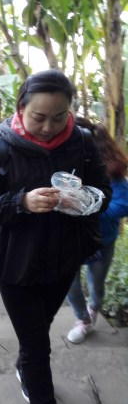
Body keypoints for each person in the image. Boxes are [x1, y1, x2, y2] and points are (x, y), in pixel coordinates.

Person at [0, 69, 111, 404]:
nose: (49, 127)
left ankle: (23, 366)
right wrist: (22, 202)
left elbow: (102, 192)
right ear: (21, 109)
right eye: (39, 117)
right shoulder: (1, 147)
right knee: (37, 347)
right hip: (15, 265)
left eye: (58, 116)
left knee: (38, 331)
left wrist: (81, 199)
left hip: (62, 260)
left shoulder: (81, 142)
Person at [66, 118, 128, 343]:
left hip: (101, 240)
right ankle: (82, 319)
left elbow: (123, 205)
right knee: (69, 283)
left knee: (96, 283)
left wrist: (88, 208)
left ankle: (93, 308)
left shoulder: (110, 171)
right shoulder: (61, 164)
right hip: (68, 240)